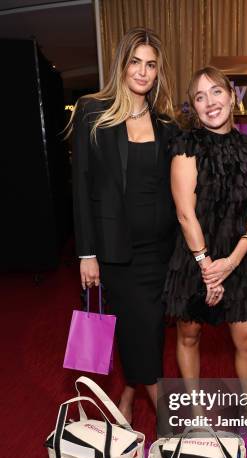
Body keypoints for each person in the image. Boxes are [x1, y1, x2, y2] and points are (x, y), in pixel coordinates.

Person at [69, 27, 178, 422]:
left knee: (147, 332)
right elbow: (81, 184)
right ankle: (172, 425)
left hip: (158, 251)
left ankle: (128, 398)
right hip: (114, 251)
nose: (142, 72)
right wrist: (87, 253)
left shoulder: (167, 125)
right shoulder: (92, 112)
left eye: (151, 65)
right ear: (122, 64)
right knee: (140, 330)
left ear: (158, 72)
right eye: (136, 62)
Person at [164, 66, 247, 380]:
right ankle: (195, 416)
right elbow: (185, 214)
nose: (210, 102)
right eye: (200, 96)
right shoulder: (186, 147)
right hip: (196, 259)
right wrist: (208, 268)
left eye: (216, 91)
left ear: (232, 97)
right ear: (194, 108)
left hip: (238, 257)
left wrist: (231, 263)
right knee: (189, 335)